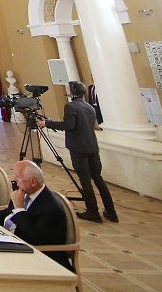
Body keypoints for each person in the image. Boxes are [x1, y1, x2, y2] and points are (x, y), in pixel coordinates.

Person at [38, 81, 117, 223]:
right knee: (98, 179)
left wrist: (47, 123)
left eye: (68, 88)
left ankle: (92, 212)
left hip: (79, 148)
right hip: (92, 146)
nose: (66, 89)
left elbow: (69, 125)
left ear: (73, 91)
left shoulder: (70, 106)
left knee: (85, 180)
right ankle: (111, 212)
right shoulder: (89, 106)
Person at [0, 161, 71, 270]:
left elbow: (33, 238)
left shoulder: (51, 208)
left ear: (32, 182)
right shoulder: (24, 192)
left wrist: (19, 208)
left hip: (43, 260)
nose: (15, 180)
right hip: (16, 244)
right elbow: (9, 213)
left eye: (18, 177)